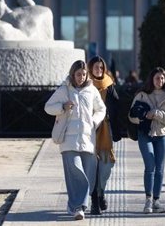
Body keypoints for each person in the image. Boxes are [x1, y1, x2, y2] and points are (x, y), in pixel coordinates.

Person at [45, 60, 106, 220]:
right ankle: (79, 207)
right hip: (68, 141)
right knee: (76, 172)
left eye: (84, 74)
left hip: (88, 140)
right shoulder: (65, 89)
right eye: (78, 74)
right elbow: (48, 106)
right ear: (73, 74)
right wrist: (63, 107)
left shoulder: (91, 90)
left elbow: (101, 109)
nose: (81, 77)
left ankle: (74, 205)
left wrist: (94, 121)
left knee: (88, 175)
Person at [128, 66, 165, 214]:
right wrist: (142, 116)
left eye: (162, 78)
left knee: (159, 168)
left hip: (162, 135)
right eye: (157, 78)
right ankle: (148, 200)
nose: (160, 80)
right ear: (151, 80)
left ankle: (156, 201)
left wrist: (156, 114)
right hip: (145, 134)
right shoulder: (141, 95)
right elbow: (131, 116)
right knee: (150, 165)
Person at [86, 56, 121, 215]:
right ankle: (94, 201)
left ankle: (101, 192)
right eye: (95, 68)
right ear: (90, 68)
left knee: (106, 167)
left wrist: (117, 130)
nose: (98, 70)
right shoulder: (85, 84)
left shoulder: (109, 84)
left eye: (101, 67)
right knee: (92, 167)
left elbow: (116, 109)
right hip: (89, 130)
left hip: (106, 130)